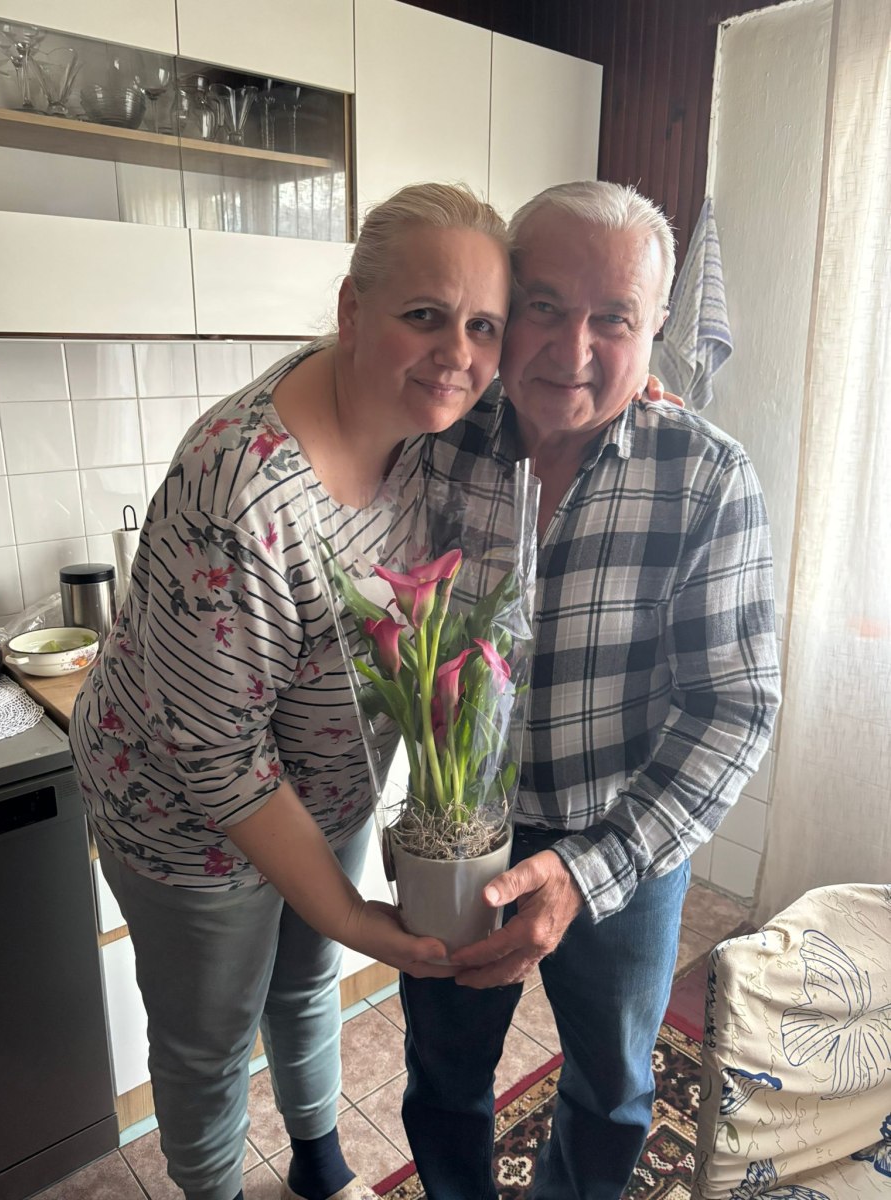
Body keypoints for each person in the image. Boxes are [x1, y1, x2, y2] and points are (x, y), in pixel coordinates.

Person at [69, 183, 515, 1200]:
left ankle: (318, 1165)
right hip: (183, 811)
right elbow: (221, 762)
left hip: (323, 787)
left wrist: (640, 394)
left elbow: (556, 387)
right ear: (353, 310)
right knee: (212, 1039)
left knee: (308, 982)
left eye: (482, 325)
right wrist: (357, 917)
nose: (458, 353)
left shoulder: (443, 415)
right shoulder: (241, 492)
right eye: (424, 315)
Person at [400, 181, 782, 1200]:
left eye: (613, 318)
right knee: (443, 1073)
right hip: (460, 834)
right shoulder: (435, 437)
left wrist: (588, 870)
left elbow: (736, 706)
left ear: (655, 330)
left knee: (612, 1088)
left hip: (627, 837)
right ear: (506, 304)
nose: (573, 349)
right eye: (545, 306)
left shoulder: (707, 476)